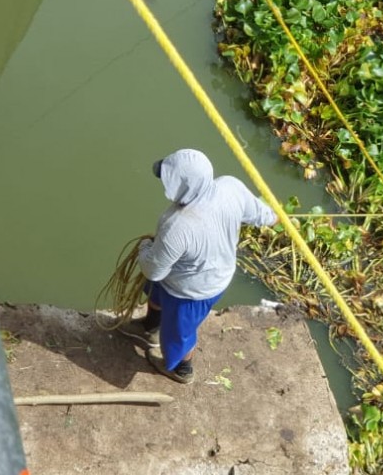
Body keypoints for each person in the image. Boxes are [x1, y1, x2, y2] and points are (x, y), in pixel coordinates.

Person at [119, 148, 278, 383]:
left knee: (180, 335)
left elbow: (153, 271)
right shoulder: (230, 187)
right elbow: (262, 214)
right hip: (213, 273)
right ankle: (149, 328)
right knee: (155, 294)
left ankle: (182, 369)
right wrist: (274, 217)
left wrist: (144, 247)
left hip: (192, 291)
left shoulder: (177, 225)